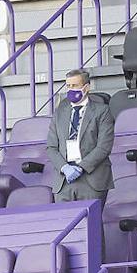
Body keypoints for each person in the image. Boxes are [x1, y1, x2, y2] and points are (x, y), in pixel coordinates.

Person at [46, 69, 115, 202]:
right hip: (64, 181)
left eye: (75, 86)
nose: (71, 90)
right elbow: (51, 147)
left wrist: (81, 167)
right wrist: (64, 167)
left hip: (92, 179)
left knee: (90, 222)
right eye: (68, 86)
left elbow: (104, 147)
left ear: (86, 87)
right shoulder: (60, 112)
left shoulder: (102, 111)